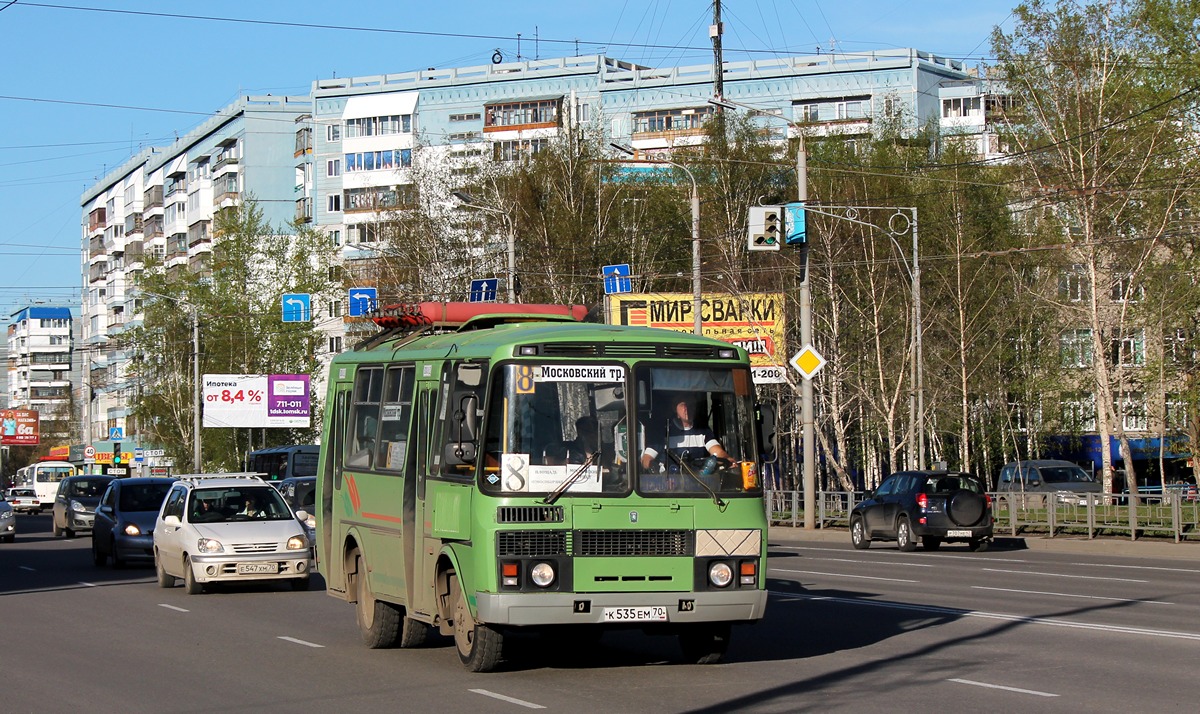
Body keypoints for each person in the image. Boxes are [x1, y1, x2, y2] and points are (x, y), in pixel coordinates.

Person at [640, 396, 732, 473]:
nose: (687, 409)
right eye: (683, 405)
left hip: (699, 486)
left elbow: (718, 452)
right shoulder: (663, 432)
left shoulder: (703, 431)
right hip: (669, 487)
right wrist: (655, 468)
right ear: (675, 409)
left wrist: (727, 459)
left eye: (691, 405)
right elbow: (646, 459)